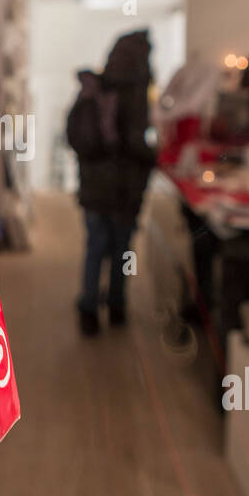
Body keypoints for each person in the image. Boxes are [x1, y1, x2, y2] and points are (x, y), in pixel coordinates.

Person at [66, 31, 155, 335]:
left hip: (93, 185)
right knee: (122, 249)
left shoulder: (94, 88)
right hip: (123, 188)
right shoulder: (135, 92)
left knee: (94, 247)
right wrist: (154, 157)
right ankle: (117, 306)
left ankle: (88, 309)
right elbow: (134, 143)